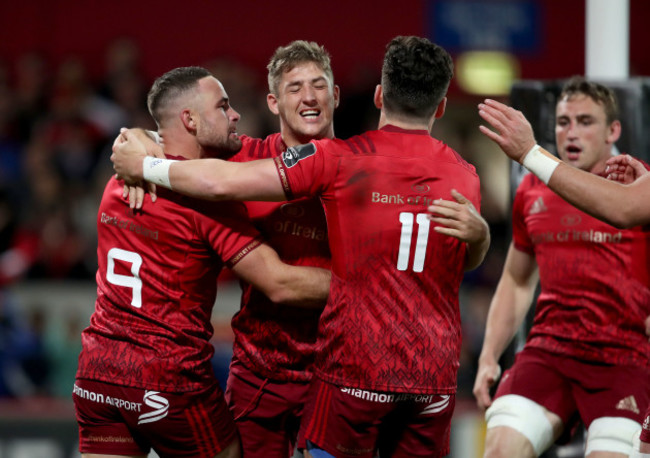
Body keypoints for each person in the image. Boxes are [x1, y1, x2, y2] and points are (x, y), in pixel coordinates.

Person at [111, 35, 490, 458]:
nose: (309, 97)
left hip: (342, 373)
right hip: (263, 373)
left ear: (338, 95)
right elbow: (184, 149)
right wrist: (139, 137)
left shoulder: (359, 164)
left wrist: (474, 241)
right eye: (294, 88)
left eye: (319, 85)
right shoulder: (243, 160)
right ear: (274, 102)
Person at [73, 66, 331, 458]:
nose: (235, 116)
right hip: (168, 379)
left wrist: (137, 136)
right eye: (223, 106)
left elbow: (154, 148)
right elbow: (281, 283)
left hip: (97, 376)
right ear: (190, 119)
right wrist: (368, 287)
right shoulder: (209, 206)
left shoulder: (121, 180)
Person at [472, 76, 650, 458]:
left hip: (624, 357)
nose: (572, 132)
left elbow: (622, 210)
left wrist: (529, 152)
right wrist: (489, 356)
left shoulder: (640, 188)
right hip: (550, 350)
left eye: (585, 121)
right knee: (499, 450)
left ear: (613, 131)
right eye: (563, 121)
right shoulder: (532, 191)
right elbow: (517, 281)